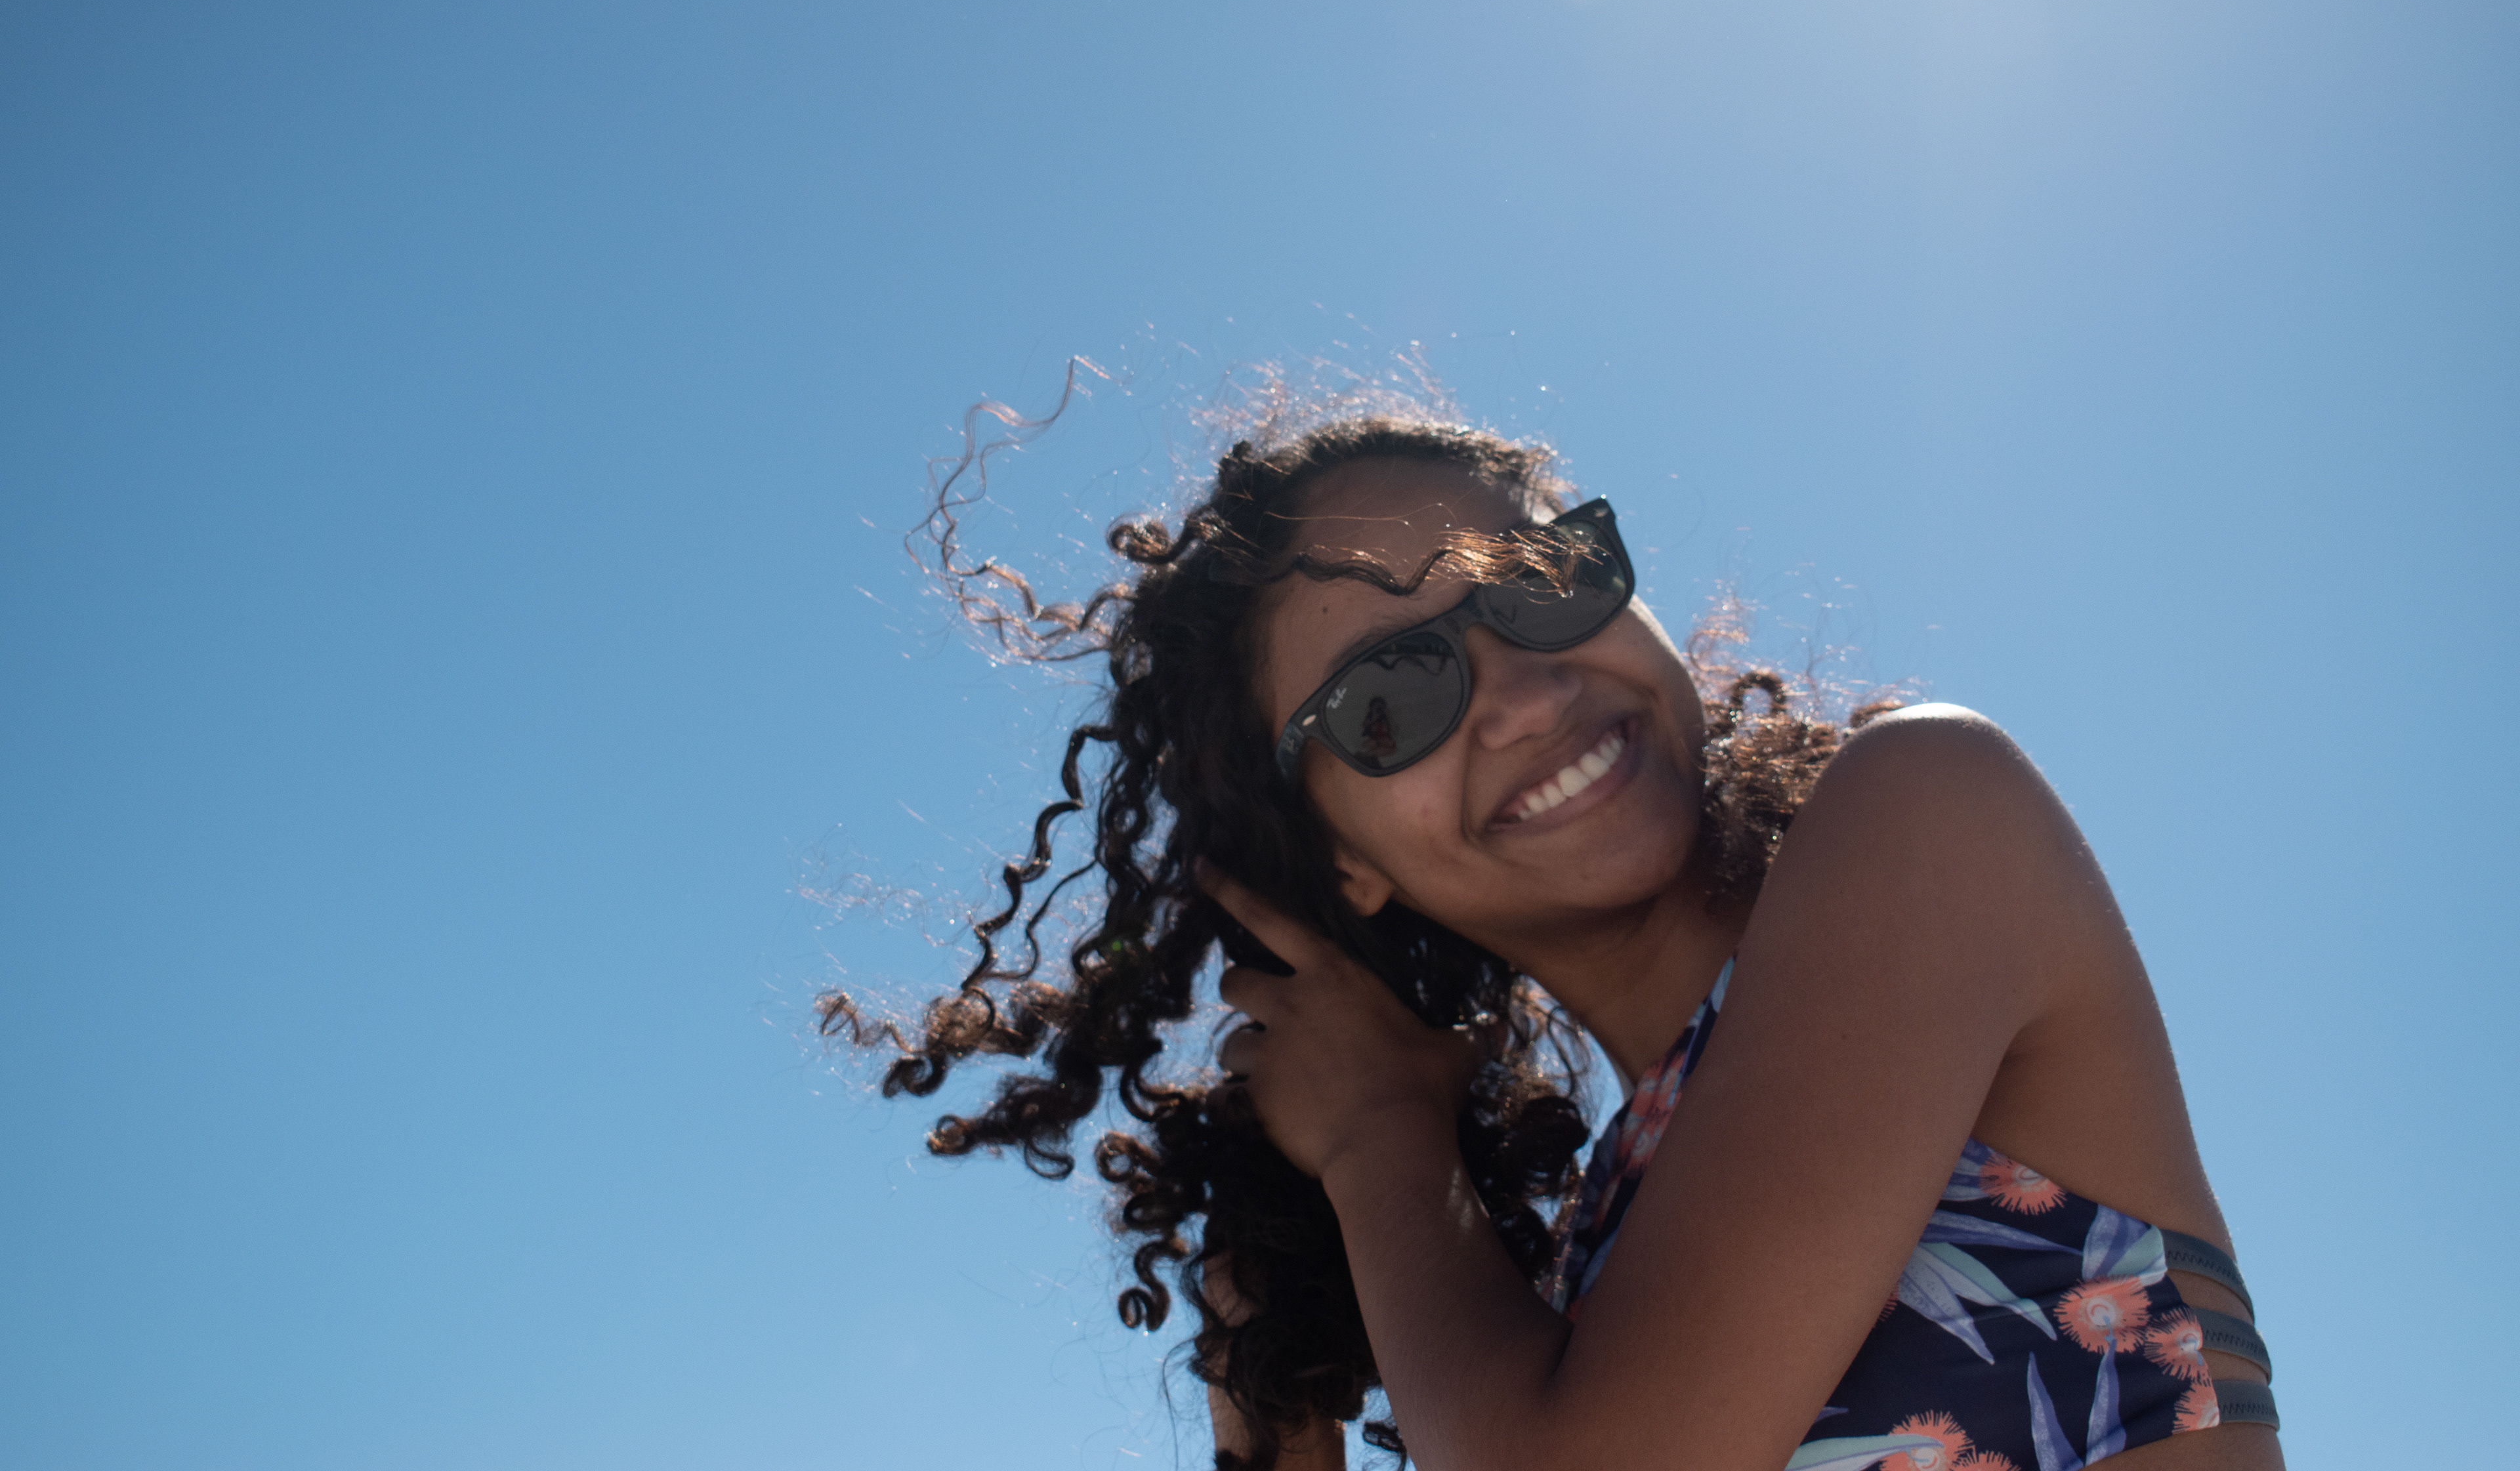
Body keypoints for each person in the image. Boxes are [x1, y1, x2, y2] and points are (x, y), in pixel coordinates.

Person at [826, 388, 2281, 1471]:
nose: (1519, 693)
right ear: (1345, 864)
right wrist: (1274, 1399)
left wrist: (1386, 1140)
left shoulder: (1927, 806)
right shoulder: (1560, 1295)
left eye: (1530, 585)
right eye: (1391, 698)